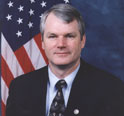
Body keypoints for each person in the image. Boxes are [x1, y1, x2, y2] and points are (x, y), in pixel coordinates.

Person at [6, 3, 124, 116]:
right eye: (53, 36)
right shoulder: (20, 88)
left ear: (82, 41)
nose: (61, 44)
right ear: (42, 42)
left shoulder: (111, 89)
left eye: (69, 36)